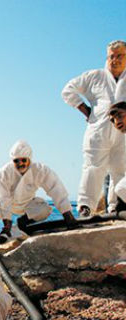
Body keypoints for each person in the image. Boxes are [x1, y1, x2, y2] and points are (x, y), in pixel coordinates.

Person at [62, 40, 126, 216]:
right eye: (111, 56)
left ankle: (116, 207)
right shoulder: (94, 76)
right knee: (93, 167)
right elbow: (68, 90)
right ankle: (85, 207)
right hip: (98, 129)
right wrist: (85, 110)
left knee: (120, 169)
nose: (115, 60)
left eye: (120, 55)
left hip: (123, 133)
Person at [0, 140, 76, 246]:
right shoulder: (2, 174)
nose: (20, 164)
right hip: (4, 204)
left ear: (29, 159)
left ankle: (20, 225)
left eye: (23, 160)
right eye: (16, 161)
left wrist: (67, 215)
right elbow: (4, 199)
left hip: (26, 204)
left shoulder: (40, 170)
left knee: (44, 209)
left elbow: (56, 189)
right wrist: (6, 226)